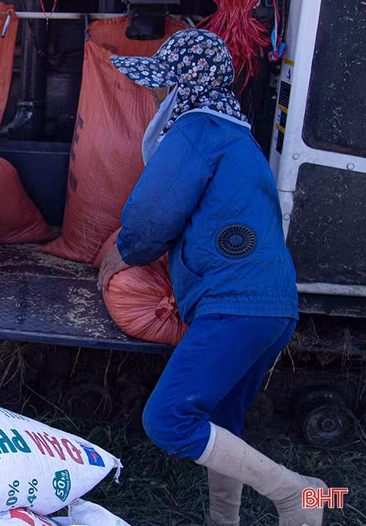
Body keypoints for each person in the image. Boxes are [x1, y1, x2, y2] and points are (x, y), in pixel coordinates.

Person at [97, 29, 327, 526]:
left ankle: (298, 493)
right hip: (272, 307)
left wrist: (125, 251)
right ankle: (228, 520)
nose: (154, 96)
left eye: (161, 85)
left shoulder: (197, 130)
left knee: (168, 420)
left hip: (234, 304)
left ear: (182, 88)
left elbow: (155, 212)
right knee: (223, 419)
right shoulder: (237, 136)